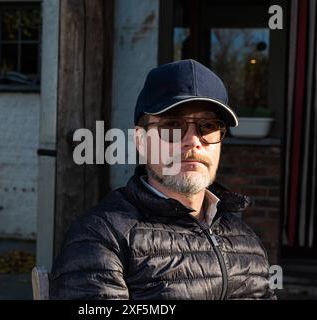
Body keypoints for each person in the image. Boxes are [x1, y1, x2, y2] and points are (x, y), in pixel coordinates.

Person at [50, 59, 276, 300]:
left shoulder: (245, 240)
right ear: (140, 141)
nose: (193, 140)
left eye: (208, 125)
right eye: (172, 125)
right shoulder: (102, 238)